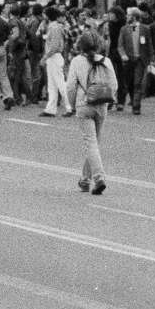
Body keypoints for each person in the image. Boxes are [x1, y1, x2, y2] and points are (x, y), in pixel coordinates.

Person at [66, 31, 117, 195]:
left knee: (90, 143)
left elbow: (71, 86)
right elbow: (114, 85)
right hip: (102, 105)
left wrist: (73, 104)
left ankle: (99, 177)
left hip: (84, 103)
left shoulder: (76, 61)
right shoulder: (106, 61)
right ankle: (85, 180)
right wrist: (109, 101)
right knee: (94, 142)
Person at [117, 8, 152, 115]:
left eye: (128, 15)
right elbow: (120, 45)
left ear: (134, 17)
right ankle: (133, 99)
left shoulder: (145, 29)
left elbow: (149, 44)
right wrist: (123, 55)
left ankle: (136, 106)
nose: (127, 17)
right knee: (129, 82)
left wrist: (151, 59)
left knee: (137, 83)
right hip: (128, 60)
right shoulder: (124, 29)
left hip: (140, 60)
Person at [40, 6, 72, 118]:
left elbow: (54, 46)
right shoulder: (55, 26)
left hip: (54, 57)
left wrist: (44, 57)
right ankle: (50, 109)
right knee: (52, 85)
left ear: (48, 16)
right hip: (53, 57)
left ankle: (70, 107)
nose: (43, 16)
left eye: (44, 14)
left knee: (60, 84)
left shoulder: (54, 28)